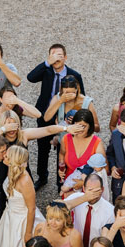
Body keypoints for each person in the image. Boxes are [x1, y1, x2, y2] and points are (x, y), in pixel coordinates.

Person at [28, 44, 85, 188]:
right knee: (42, 149)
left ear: (65, 57)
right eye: (53, 55)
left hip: (64, 119)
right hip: (45, 115)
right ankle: (42, 177)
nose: (56, 58)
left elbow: (81, 97)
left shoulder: (75, 75)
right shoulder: (46, 70)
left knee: (63, 150)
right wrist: (47, 63)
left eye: (59, 55)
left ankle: (61, 182)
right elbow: (30, 77)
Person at [63, 173, 114, 247]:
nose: (92, 194)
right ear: (83, 189)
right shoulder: (77, 197)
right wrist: (84, 198)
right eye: (90, 190)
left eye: (96, 191)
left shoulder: (110, 211)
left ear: (102, 189)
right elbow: (56, 207)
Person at [58, 109, 104, 184]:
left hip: (90, 186)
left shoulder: (97, 143)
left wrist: (83, 183)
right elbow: (62, 154)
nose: (80, 129)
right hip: (69, 182)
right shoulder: (66, 139)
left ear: (90, 126)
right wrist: (61, 168)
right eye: (77, 125)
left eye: (84, 126)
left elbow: (103, 169)